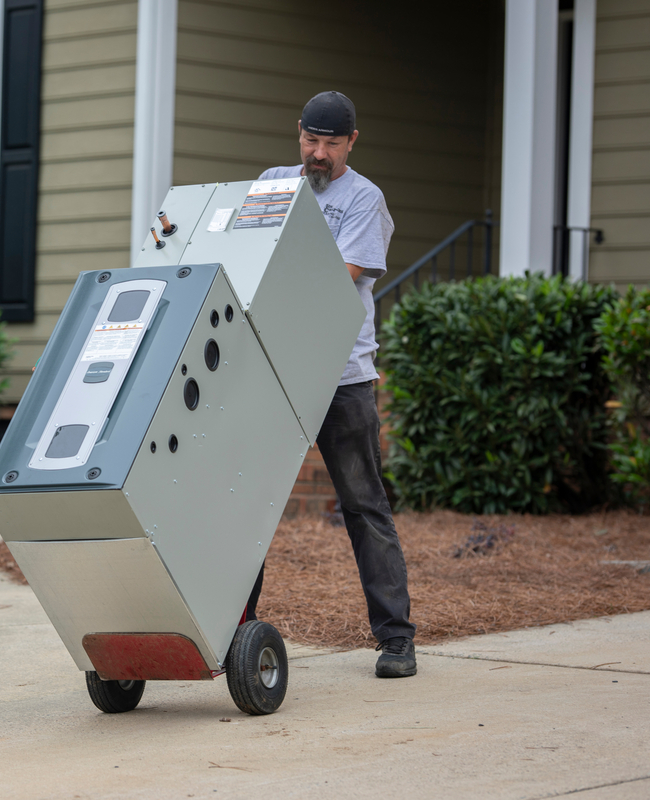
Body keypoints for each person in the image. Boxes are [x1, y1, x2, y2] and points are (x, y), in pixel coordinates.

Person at [244, 91, 417, 678]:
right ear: (299, 134)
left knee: (364, 505)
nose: (319, 154)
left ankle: (396, 640)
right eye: (311, 141)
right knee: (244, 505)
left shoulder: (365, 200)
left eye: (331, 145)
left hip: (343, 376)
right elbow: (244, 254)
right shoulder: (272, 183)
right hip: (272, 370)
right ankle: (233, 631)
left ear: (351, 143)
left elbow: (339, 278)